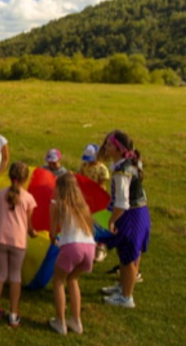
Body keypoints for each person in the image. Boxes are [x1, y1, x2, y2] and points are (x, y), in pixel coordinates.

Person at [97, 130, 150, 308]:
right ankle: (124, 286)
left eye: (110, 145)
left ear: (119, 149)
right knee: (130, 251)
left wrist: (112, 220)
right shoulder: (132, 162)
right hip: (140, 212)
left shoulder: (122, 171)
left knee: (128, 255)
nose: (107, 147)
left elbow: (122, 202)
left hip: (130, 214)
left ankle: (126, 296)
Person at [0, 162, 36, 326]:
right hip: (18, 241)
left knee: (0, 274)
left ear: (9, 176)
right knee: (15, 276)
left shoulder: (1, 194)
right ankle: (14, 314)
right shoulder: (28, 198)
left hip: (0, 238)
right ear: (26, 178)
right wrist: (34, 233)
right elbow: (29, 226)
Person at [48, 173, 97, 335]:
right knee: (73, 279)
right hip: (89, 248)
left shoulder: (57, 204)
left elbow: (53, 232)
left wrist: (53, 240)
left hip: (72, 247)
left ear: (60, 188)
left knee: (58, 281)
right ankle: (76, 321)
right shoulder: (83, 207)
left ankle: (60, 322)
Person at [78, 143, 111, 262]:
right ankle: (87, 245)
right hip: (86, 198)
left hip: (98, 199)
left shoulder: (102, 169)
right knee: (86, 220)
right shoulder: (84, 166)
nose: (89, 162)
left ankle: (100, 247)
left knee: (100, 221)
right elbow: (80, 178)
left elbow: (101, 186)